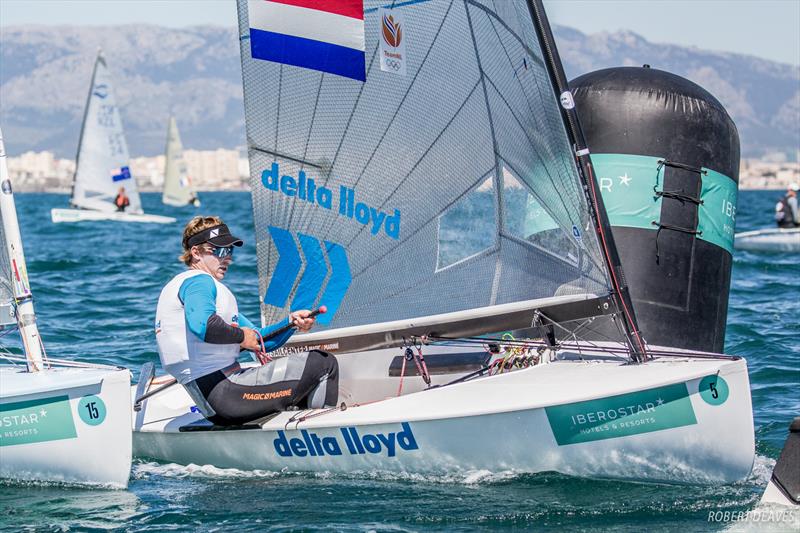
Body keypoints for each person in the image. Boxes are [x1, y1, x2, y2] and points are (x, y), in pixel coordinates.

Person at [155, 216, 339, 426]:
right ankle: (322, 433)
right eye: (220, 250)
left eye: (230, 251)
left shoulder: (192, 288)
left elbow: (260, 341)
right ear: (196, 252)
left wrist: (291, 323)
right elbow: (204, 326)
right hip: (225, 394)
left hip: (219, 397)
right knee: (323, 363)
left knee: (307, 367)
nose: (228, 258)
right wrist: (242, 337)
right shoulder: (198, 282)